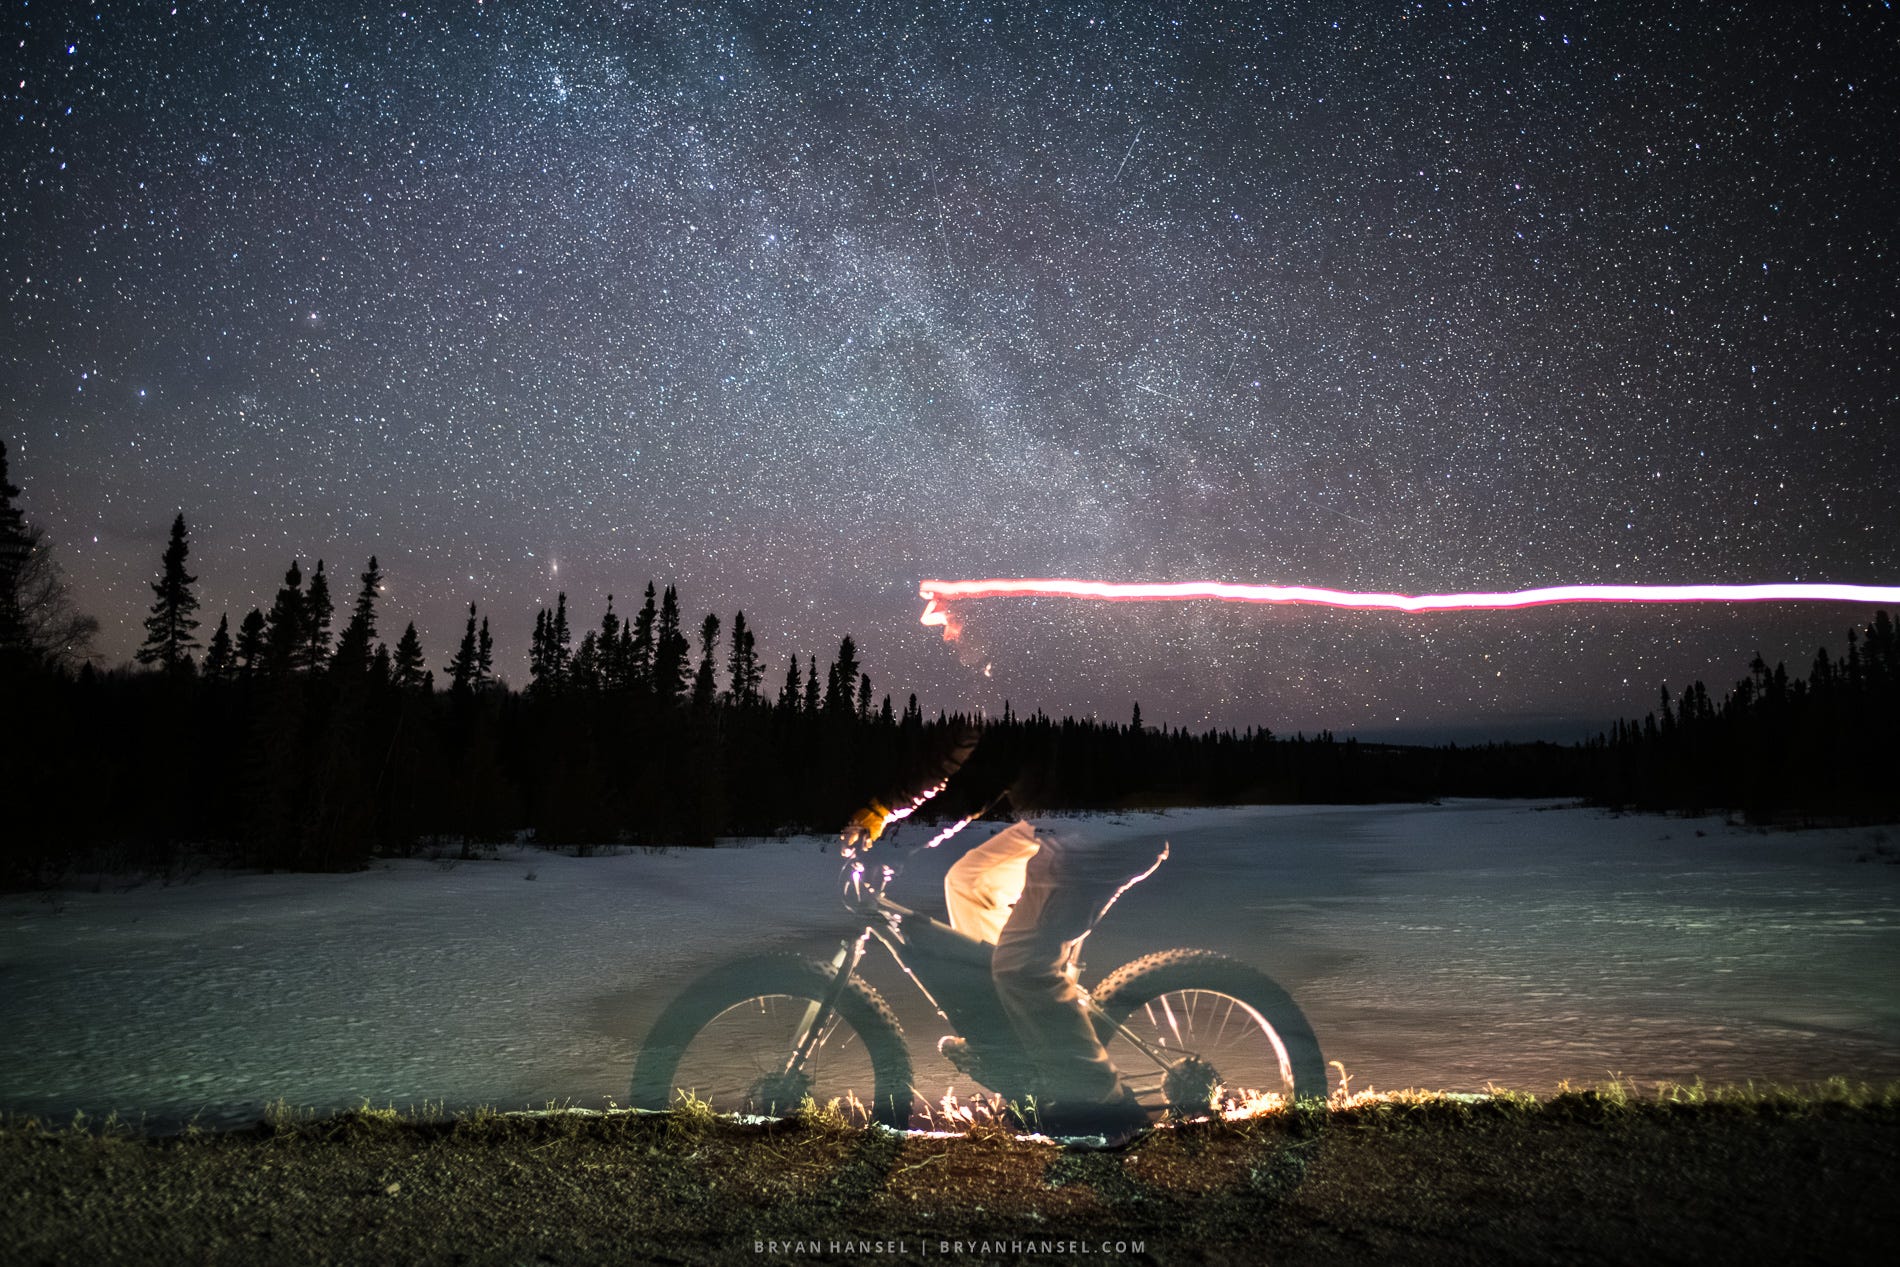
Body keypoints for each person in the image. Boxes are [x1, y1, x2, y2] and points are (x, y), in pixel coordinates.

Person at [845, 758, 1161, 1142]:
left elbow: (973, 783)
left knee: (1025, 968)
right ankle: (1009, 1033)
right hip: (1065, 817)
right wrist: (883, 814)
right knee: (969, 881)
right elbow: (952, 765)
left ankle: (1109, 1113)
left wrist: (893, 846)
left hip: (1103, 832)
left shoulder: (1013, 712)